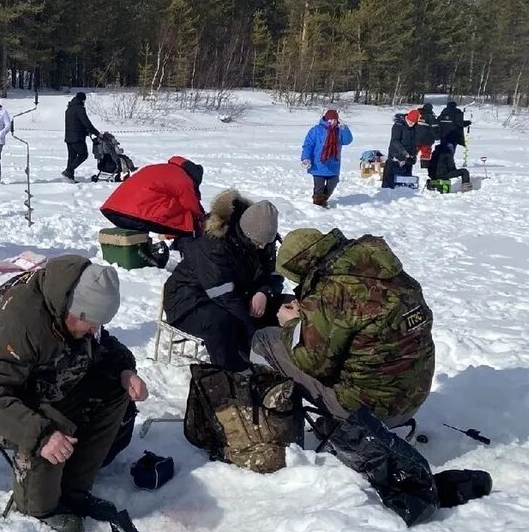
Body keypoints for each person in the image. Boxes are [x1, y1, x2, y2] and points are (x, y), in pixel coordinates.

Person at [0, 256, 148, 532]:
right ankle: (39, 510)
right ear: (71, 310)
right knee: (48, 425)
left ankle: (74, 488)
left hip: (30, 382)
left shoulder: (73, 300)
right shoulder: (23, 323)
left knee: (112, 389)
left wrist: (125, 371)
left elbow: (102, 344)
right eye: (89, 324)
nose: (93, 330)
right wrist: (41, 434)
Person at [252, 228, 434, 428]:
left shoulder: (332, 293)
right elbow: (361, 317)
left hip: (370, 413)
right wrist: (311, 313)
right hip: (414, 398)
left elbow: (312, 364)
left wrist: (292, 323)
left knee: (264, 338)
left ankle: (273, 424)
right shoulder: (385, 269)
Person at [162, 191, 283, 371]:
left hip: (237, 294)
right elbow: (223, 294)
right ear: (245, 232)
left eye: (267, 243)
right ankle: (233, 373)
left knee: (281, 307)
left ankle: (279, 359)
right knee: (221, 321)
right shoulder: (214, 243)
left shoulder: (265, 238)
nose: (262, 247)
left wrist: (263, 292)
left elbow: (273, 274)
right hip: (188, 299)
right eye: (258, 243)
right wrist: (251, 329)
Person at [100, 156, 205, 237]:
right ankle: (190, 251)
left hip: (113, 209)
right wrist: (203, 222)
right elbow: (191, 206)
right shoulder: (184, 179)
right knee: (189, 222)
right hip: (137, 214)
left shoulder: (159, 168)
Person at [300, 108, 353, 208]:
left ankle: (322, 200)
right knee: (319, 188)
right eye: (330, 119)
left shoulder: (339, 131)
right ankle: (318, 205)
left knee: (333, 183)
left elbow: (348, 140)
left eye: (335, 120)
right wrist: (305, 158)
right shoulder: (316, 130)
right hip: (318, 164)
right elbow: (308, 145)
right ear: (326, 119)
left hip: (333, 164)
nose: (332, 122)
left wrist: (344, 129)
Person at [62, 92, 100, 182]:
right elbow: (86, 122)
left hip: (68, 137)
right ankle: (68, 171)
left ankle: (70, 177)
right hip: (77, 137)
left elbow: (75, 123)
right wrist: (97, 133)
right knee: (83, 155)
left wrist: (87, 132)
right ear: (82, 99)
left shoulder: (69, 108)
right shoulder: (79, 108)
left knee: (72, 157)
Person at [381, 108, 420, 189]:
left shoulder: (415, 127)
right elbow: (395, 141)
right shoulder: (398, 125)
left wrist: (414, 154)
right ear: (407, 118)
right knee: (395, 177)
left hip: (408, 157)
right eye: (410, 122)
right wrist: (403, 152)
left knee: (406, 179)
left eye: (413, 122)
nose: (411, 124)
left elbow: (414, 142)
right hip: (396, 154)